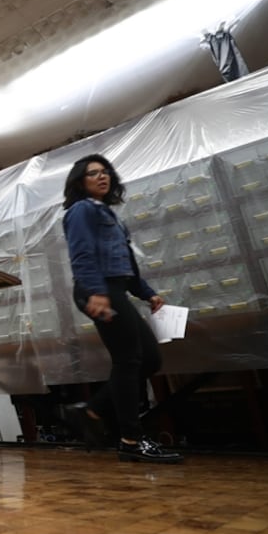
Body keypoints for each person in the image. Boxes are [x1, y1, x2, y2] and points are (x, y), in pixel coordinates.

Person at [62, 154, 183, 464]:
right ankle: (131, 439)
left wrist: (147, 293)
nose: (102, 177)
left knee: (149, 359)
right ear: (80, 181)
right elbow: (81, 254)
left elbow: (124, 262)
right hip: (98, 289)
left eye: (105, 172)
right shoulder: (81, 210)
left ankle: (91, 411)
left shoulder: (110, 215)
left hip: (115, 288)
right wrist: (96, 292)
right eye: (93, 173)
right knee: (128, 359)